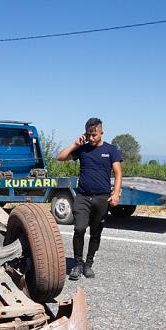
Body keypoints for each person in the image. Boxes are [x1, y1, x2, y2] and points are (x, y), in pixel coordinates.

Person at [56, 117, 122, 280]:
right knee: (79, 229)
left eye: (95, 135)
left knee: (96, 232)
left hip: (102, 198)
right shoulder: (82, 149)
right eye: (89, 135)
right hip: (83, 197)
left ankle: (89, 264)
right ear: (85, 134)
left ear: (101, 132)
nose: (92, 138)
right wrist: (75, 145)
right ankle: (77, 264)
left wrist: (116, 193)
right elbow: (60, 157)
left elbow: (118, 172)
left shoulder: (112, 149)